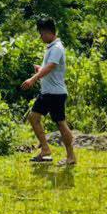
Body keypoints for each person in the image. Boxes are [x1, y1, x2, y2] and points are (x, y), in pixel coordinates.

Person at [20, 17, 76, 166]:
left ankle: (70, 156)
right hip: (49, 92)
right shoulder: (52, 47)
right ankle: (45, 150)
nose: (41, 37)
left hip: (54, 93)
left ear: (49, 32)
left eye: (41, 33)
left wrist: (33, 79)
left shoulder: (57, 48)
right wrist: (40, 69)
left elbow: (51, 67)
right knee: (34, 118)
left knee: (60, 124)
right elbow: (49, 68)